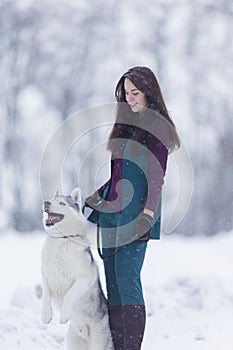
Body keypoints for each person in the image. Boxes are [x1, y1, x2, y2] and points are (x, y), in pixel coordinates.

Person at [85, 66, 180, 349]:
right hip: (112, 217)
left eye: (135, 93)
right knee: (112, 284)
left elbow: (156, 177)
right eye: (126, 93)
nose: (130, 99)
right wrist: (90, 200)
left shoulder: (158, 127)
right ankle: (117, 345)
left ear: (149, 93)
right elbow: (117, 177)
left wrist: (148, 215)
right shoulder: (125, 128)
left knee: (127, 282)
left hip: (137, 217)